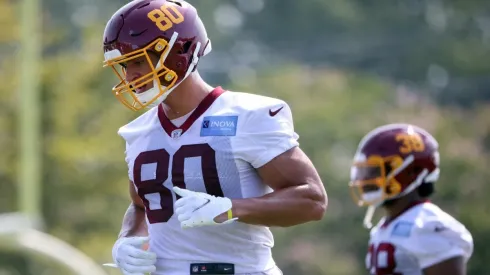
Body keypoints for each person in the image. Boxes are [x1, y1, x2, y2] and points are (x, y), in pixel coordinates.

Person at [101, 1, 328, 274]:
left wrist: (232, 208)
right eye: (124, 66)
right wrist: (126, 240)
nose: (130, 76)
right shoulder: (138, 131)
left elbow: (312, 201)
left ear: (178, 51)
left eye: (138, 61)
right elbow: (142, 205)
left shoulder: (248, 116)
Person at [349, 123, 473, 275]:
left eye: (376, 171)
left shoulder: (429, 226)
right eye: (365, 171)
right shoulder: (387, 225)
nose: (366, 180)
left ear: (412, 172)